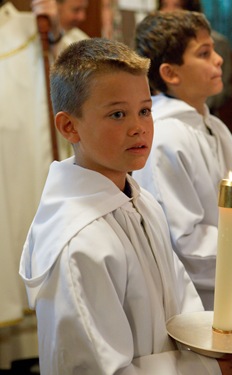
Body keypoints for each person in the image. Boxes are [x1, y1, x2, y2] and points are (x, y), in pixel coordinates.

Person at [19, 37, 232, 375]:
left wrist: (207, 351)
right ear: (69, 126)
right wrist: (205, 370)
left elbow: (180, 296)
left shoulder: (139, 198)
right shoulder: (79, 246)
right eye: (117, 114)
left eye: (145, 110)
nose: (138, 127)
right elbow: (97, 369)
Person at [132, 10, 232, 375]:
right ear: (170, 73)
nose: (219, 60)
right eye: (204, 52)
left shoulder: (211, 124)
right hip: (199, 301)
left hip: (227, 285)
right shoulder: (166, 138)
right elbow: (180, 242)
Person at [0, 0, 88, 370]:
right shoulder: (11, 36)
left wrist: (54, 38)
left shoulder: (71, 42)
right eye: (75, 7)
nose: (79, 16)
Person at [157, 0, 232, 116]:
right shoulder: (155, 43)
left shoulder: (218, 42)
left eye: (177, 6)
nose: (168, 11)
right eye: (164, 5)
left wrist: (195, 105)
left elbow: (222, 88)